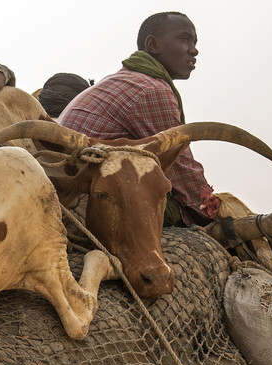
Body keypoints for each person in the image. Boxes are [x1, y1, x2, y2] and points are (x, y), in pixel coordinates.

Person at [58, 11, 215, 226]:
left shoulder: (124, 79)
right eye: (185, 39)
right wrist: (212, 211)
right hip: (85, 200)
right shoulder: (151, 89)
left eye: (195, 42)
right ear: (153, 45)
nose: (194, 50)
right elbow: (181, 168)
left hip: (72, 187)